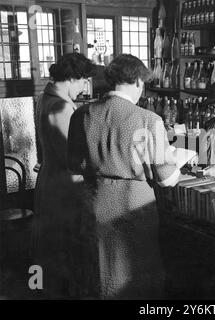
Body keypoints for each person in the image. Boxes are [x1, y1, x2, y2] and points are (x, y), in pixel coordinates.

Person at [67, 54, 196, 299]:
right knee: (135, 272)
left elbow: (74, 165)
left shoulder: (81, 114)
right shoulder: (148, 119)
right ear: (138, 81)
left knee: (101, 269)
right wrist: (177, 159)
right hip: (134, 205)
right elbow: (167, 179)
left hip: (95, 201)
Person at [33, 53, 98, 299]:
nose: (85, 88)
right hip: (65, 186)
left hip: (52, 180)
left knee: (55, 250)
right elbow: (71, 157)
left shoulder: (47, 98)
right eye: (83, 81)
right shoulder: (60, 106)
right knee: (68, 251)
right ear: (71, 78)